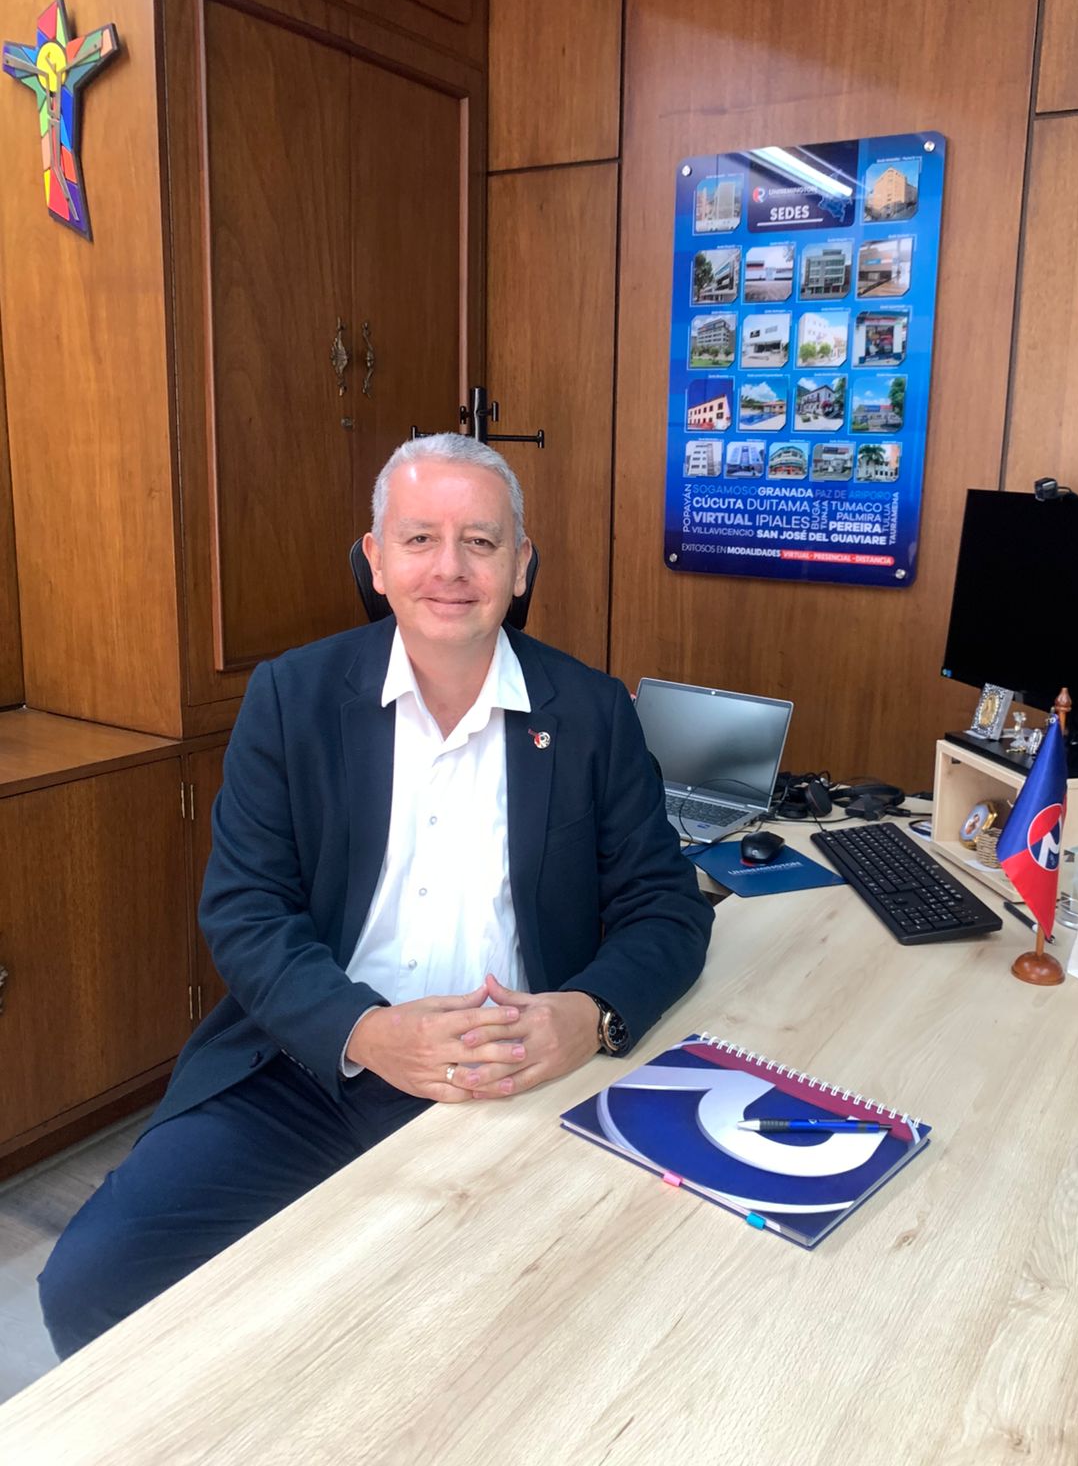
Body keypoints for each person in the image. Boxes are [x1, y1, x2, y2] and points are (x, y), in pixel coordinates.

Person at [39, 434, 713, 1358]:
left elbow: (666, 907)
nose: (450, 568)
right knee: (93, 1282)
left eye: (481, 542)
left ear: (521, 566)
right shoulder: (293, 697)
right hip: (314, 1068)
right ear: (376, 560)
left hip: (517, 1075)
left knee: (517, 1332)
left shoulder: (591, 712)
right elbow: (246, 910)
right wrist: (364, 1031)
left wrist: (588, 1016)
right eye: (419, 538)